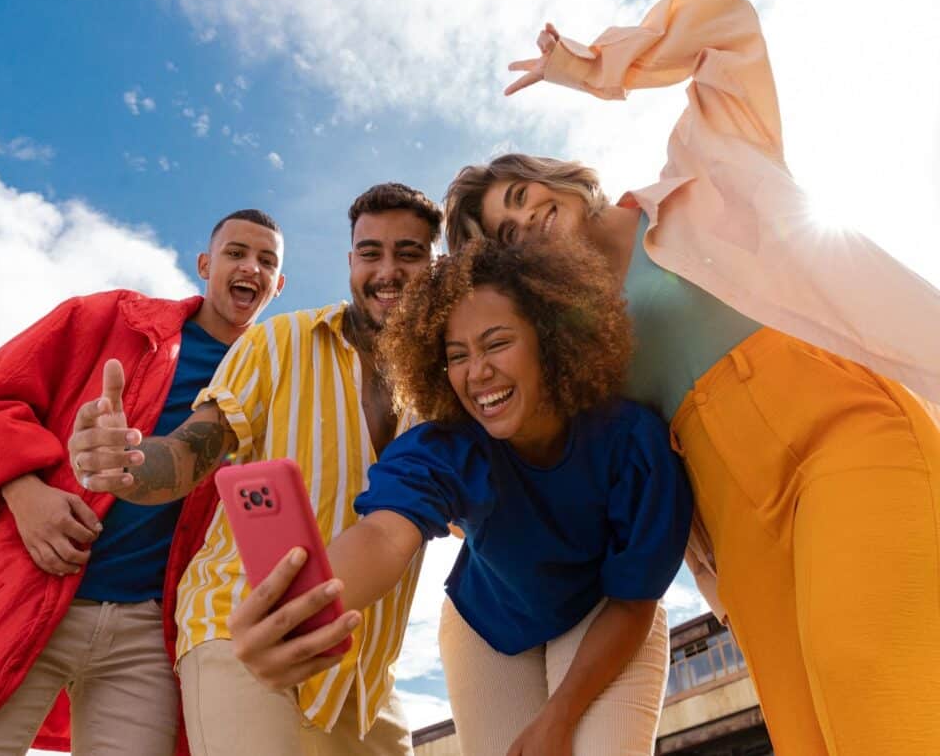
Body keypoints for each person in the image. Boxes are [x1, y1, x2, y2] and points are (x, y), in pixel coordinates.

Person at [443, 0, 940, 755]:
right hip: (733, 515)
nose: (527, 217)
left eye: (520, 194)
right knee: (808, 730)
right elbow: (519, 422)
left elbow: (729, 31)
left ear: (553, 177)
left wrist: (596, 66)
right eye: (507, 233)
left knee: (865, 664)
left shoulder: (704, 167)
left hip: (841, 429)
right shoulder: (577, 355)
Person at [232, 238, 693, 756]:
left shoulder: (633, 441)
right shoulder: (445, 446)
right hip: (488, 628)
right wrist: (299, 611)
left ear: (550, 338)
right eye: (457, 356)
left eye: (497, 344)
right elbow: (384, 534)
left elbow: (634, 599)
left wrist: (558, 718)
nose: (477, 372)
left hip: (606, 614)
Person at [68, 183, 443, 756]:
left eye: (409, 254)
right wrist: (130, 464)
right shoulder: (279, 340)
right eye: (371, 253)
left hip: (365, 677)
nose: (387, 271)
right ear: (350, 262)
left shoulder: (449, 388)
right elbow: (194, 450)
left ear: (437, 265)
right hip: (237, 625)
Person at [0, 209, 285, 756]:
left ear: (279, 285)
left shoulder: (273, 377)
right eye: (236, 253)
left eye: (267, 261)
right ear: (206, 264)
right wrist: (25, 492)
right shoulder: (111, 319)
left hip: (149, 634)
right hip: (33, 587)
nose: (250, 267)